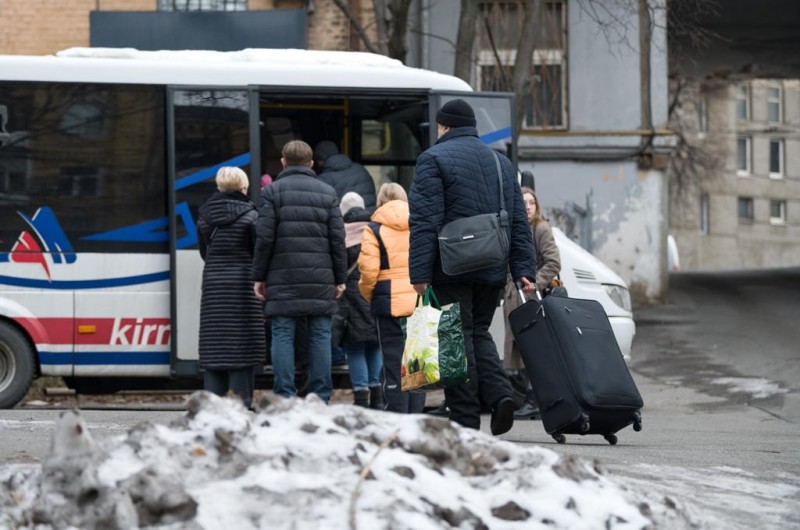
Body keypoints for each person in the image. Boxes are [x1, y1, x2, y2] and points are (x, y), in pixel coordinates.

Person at [408, 99, 536, 435]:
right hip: (493, 265)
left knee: (453, 338)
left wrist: (419, 273)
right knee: (477, 332)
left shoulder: (432, 159)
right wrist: (524, 268)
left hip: (450, 267)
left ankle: (464, 419)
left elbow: (424, 220)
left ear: (445, 126)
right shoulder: (500, 163)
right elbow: (518, 221)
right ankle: (500, 395)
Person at [252, 140, 347, 403]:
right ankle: (320, 394)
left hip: (282, 277)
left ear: (283, 162)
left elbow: (265, 239)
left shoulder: (272, 193)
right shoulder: (327, 192)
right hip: (320, 278)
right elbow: (337, 240)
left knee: (282, 333)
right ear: (311, 163)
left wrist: (259, 276)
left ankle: (284, 394)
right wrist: (340, 278)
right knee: (320, 334)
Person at [197, 166, 266, 410]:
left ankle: (212, 404)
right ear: (243, 186)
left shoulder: (205, 214)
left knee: (215, 345)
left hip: (214, 284)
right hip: (242, 285)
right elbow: (257, 253)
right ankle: (241, 403)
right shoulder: (252, 216)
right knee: (241, 345)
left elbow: (205, 251)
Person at [358, 183, 425, 414]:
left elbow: (367, 271)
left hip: (388, 304)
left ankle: (396, 418)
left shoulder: (374, 228)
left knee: (393, 365)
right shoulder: (419, 225)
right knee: (417, 366)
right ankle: (417, 419)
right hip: (418, 300)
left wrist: (370, 295)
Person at [503, 187, 561, 419]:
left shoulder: (541, 228)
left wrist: (535, 282)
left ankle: (534, 399)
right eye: (523, 203)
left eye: (531, 203)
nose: (527, 207)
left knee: (531, 349)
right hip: (512, 296)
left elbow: (553, 261)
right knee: (518, 351)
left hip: (529, 296)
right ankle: (524, 398)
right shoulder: (515, 229)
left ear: (537, 207)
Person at [338, 192, 383, 409]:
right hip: (374, 292)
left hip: (350, 298)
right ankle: (377, 395)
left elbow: (338, 268)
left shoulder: (341, 233)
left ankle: (361, 396)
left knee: (355, 347)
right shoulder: (376, 229)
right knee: (375, 345)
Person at [314, 140, 377, 209]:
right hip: (369, 217)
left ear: (320, 161)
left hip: (345, 219)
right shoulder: (361, 169)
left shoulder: (323, 179)